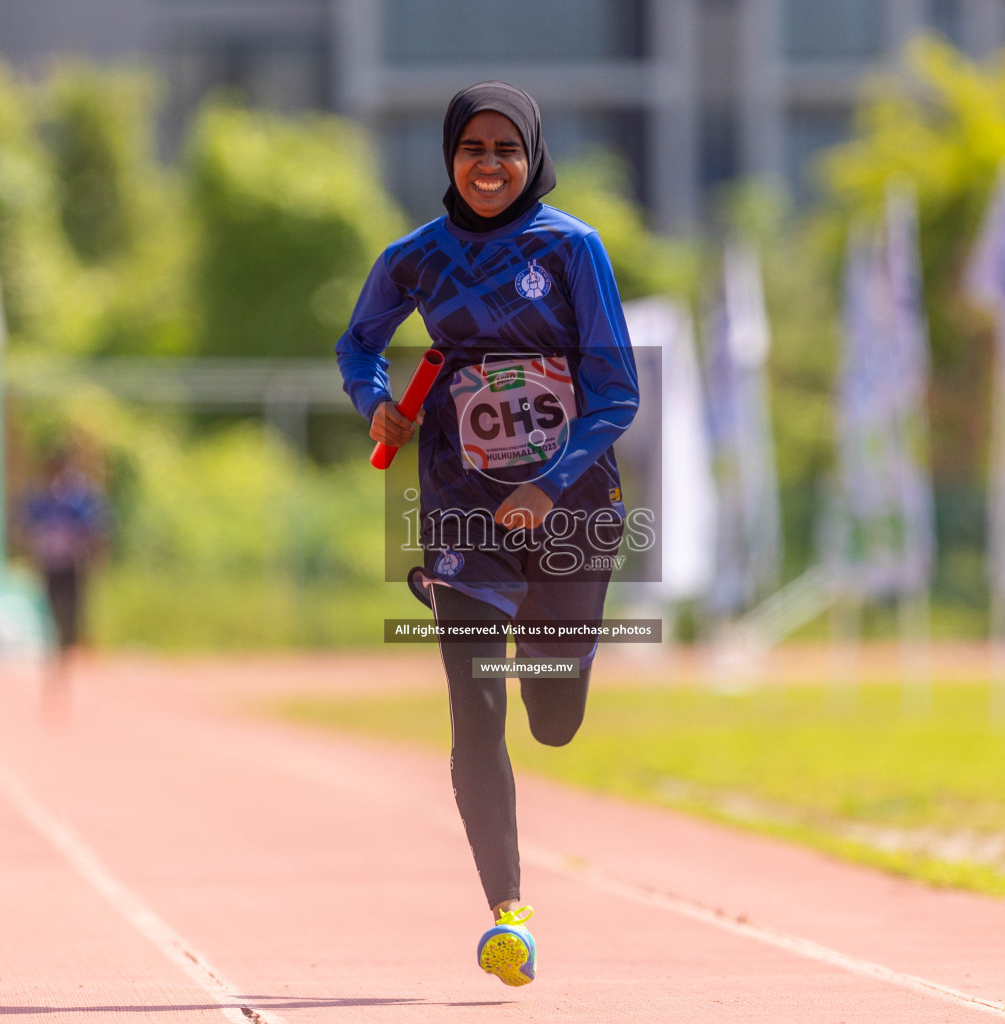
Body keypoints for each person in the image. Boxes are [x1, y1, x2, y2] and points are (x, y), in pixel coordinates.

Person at [336, 82, 638, 987]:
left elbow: (617, 389)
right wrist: (376, 404)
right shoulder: (416, 258)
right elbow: (358, 345)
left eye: (507, 148)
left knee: (550, 718)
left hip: (571, 507)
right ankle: (508, 912)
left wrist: (549, 484)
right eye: (473, 148)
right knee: (475, 700)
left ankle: (569, 657)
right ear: (449, 158)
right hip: (461, 506)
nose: (490, 164)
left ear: (533, 155)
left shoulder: (571, 249)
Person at [21, 447, 108, 687]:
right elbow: (26, 526)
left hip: (74, 566)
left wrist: (92, 553)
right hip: (51, 567)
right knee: (53, 610)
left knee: (75, 611)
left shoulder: (79, 498)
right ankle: (58, 652)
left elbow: (97, 527)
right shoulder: (40, 498)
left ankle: (69, 649)